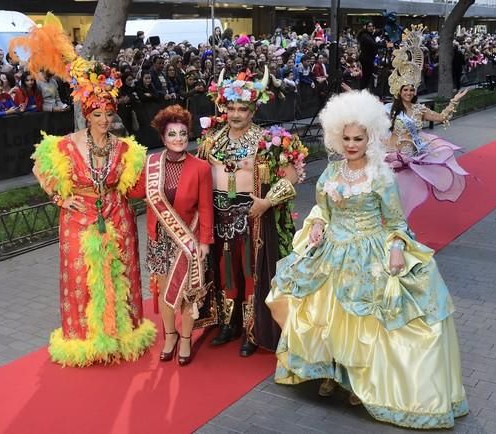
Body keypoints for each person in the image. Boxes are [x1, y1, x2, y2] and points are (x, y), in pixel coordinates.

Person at [266, 90, 468, 429]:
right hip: (333, 252)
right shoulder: (330, 173)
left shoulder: (380, 175)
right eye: (345, 138)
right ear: (335, 137)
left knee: (364, 325)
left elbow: (395, 221)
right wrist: (316, 225)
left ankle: (358, 381)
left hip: (369, 252)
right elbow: (321, 210)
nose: (351, 144)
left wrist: (396, 247)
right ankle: (333, 371)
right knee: (329, 319)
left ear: (370, 137)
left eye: (358, 138)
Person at [13, 13, 156, 367]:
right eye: (98, 115)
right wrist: (62, 197)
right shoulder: (63, 146)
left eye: (109, 114)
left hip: (118, 218)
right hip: (78, 221)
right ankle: (85, 341)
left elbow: (137, 186)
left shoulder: (126, 149)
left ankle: (123, 335)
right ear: (86, 115)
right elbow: (42, 170)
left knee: (119, 276)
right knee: (82, 279)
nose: (105, 120)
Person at [198, 67, 308, 357]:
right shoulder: (211, 139)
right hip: (219, 215)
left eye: (242, 108)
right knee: (224, 272)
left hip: (253, 216)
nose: (235, 114)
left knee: (251, 273)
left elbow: (293, 174)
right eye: (231, 107)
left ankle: (252, 329)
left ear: (253, 109)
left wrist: (268, 202)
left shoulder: (269, 140)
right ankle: (227, 323)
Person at [130, 105, 214, 366]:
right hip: (159, 239)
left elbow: (205, 207)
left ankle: (187, 338)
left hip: (188, 238)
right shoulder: (151, 164)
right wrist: (128, 167)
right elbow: (134, 193)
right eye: (172, 135)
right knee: (166, 291)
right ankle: (170, 335)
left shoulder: (200, 167)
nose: (178, 139)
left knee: (188, 291)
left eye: (182, 134)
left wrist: (204, 242)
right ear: (162, 138)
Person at [385, 27, 469, 217]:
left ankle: (402, 231)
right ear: (399, 91)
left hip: (413, 160)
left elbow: (442, 117)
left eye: (411, 90)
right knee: (390, 196)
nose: (408, 93)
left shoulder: (419, 110)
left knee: (406, 198)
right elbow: (371, 114)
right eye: (405, 90)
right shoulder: (390, 109)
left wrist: (454, 100)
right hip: (392, 159)